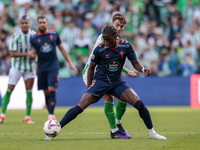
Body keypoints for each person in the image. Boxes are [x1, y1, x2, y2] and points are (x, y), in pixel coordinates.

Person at [44, 25, 167, 140]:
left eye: (108, 40)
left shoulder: (126, 46)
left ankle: (152, 133)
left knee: (139, 104)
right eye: (104, 39)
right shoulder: (100, 49)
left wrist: (143, 69)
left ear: (116, 37)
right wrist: (89, 87)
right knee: (80, 106)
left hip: (116, 82)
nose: (105, 42)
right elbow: (91, 67)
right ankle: (54, 131)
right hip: (100, 81)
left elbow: (135, 63)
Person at [83, 13, 137, 139]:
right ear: (112, 24)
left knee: (123, 98)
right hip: (93, 73)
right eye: (117, 25)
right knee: (109, 99)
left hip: (106, 74)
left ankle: (117, 124)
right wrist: (126, 70)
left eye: (122, 26)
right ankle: (115, 131)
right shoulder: (105, 38)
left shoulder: (116, 40)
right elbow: (107, 61)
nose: (119, 28)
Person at [29, 16, 78, 121]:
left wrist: (70, 63)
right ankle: (50, 113)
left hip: (53, 66)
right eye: (40, 22)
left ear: (47, 24)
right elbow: (32, 53)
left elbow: (62, 49)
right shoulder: (33, 38)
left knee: (52, 90)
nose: (42, 24)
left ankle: (51, 115)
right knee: (46, 93)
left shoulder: (54, 34)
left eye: (44, 22)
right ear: (37, 24)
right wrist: (31, 56)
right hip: (41, 68)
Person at [0, 15, 36, 124]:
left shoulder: (34, 35)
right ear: (20, 24)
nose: (24, 25)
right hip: (16, 67)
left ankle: (27, 117)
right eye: (22, 23)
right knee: (9, 89)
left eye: (26, 23)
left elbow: (36, 50)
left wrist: (34, 55)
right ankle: (2, 115)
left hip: (30, 67)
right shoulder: (15, 36)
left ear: (29, 24)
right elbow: (12, 53)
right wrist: (27, 54)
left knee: (29, 92)